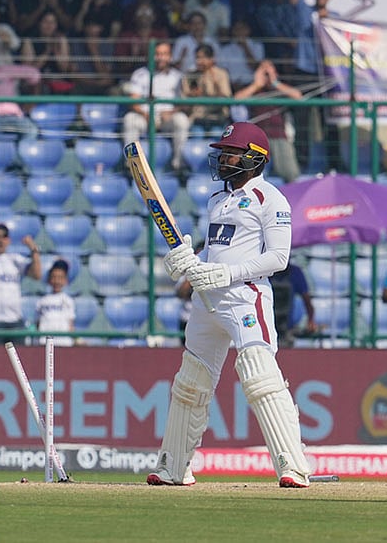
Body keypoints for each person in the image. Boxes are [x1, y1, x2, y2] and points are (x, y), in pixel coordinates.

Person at [149, 121, 310, 488]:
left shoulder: (270, 198)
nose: (223, 158)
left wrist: (228, 274)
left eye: (232, 152)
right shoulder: (216, 199)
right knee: (191, 381)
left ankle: (293, 466)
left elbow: (279, 258)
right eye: (222, 151)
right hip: (207, 300)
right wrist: (187, 265)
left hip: (245, 297)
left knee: (258, 375)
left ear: (255, 158)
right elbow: (214, 250)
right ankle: (174, 467)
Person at [232, 60, 305, 183]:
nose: (266, 75)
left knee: (291, 173)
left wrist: (275, 82)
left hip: (279, 135)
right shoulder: (254, 88)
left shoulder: (280, 88)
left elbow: (298, 96)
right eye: (263, 71)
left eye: (269, 71)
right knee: (250, 173)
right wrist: (256, 84)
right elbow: (237, 99)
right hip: (257, 138)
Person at [122, 41, 189, 172]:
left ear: (170, 56)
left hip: (167, 117)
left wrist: (172, 112)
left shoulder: (178, 76)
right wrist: (146, 115)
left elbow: (184, 103)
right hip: (144, 116)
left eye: (164, 54)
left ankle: (178, 164)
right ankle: (132, 165)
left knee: (182, 120)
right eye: (157, 54)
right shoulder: (140, 74)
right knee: (130, 119)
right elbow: (133, 100)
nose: (160, 57)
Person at [270, 260, 316, 348]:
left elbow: (306, 299)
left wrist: (311, 320)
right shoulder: (264, 272)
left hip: (287, 327)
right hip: (267, 326)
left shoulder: (295, 272)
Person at [35, 259, 75, 347]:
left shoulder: (68, 301)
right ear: (49, 279)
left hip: (63, 343)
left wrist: (76, 340)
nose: (57, 281)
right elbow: (37, 324)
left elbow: (71, 325)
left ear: (65, 280)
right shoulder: (42, 301)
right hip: (44, 343)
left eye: (60, 278)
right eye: (54, 277)